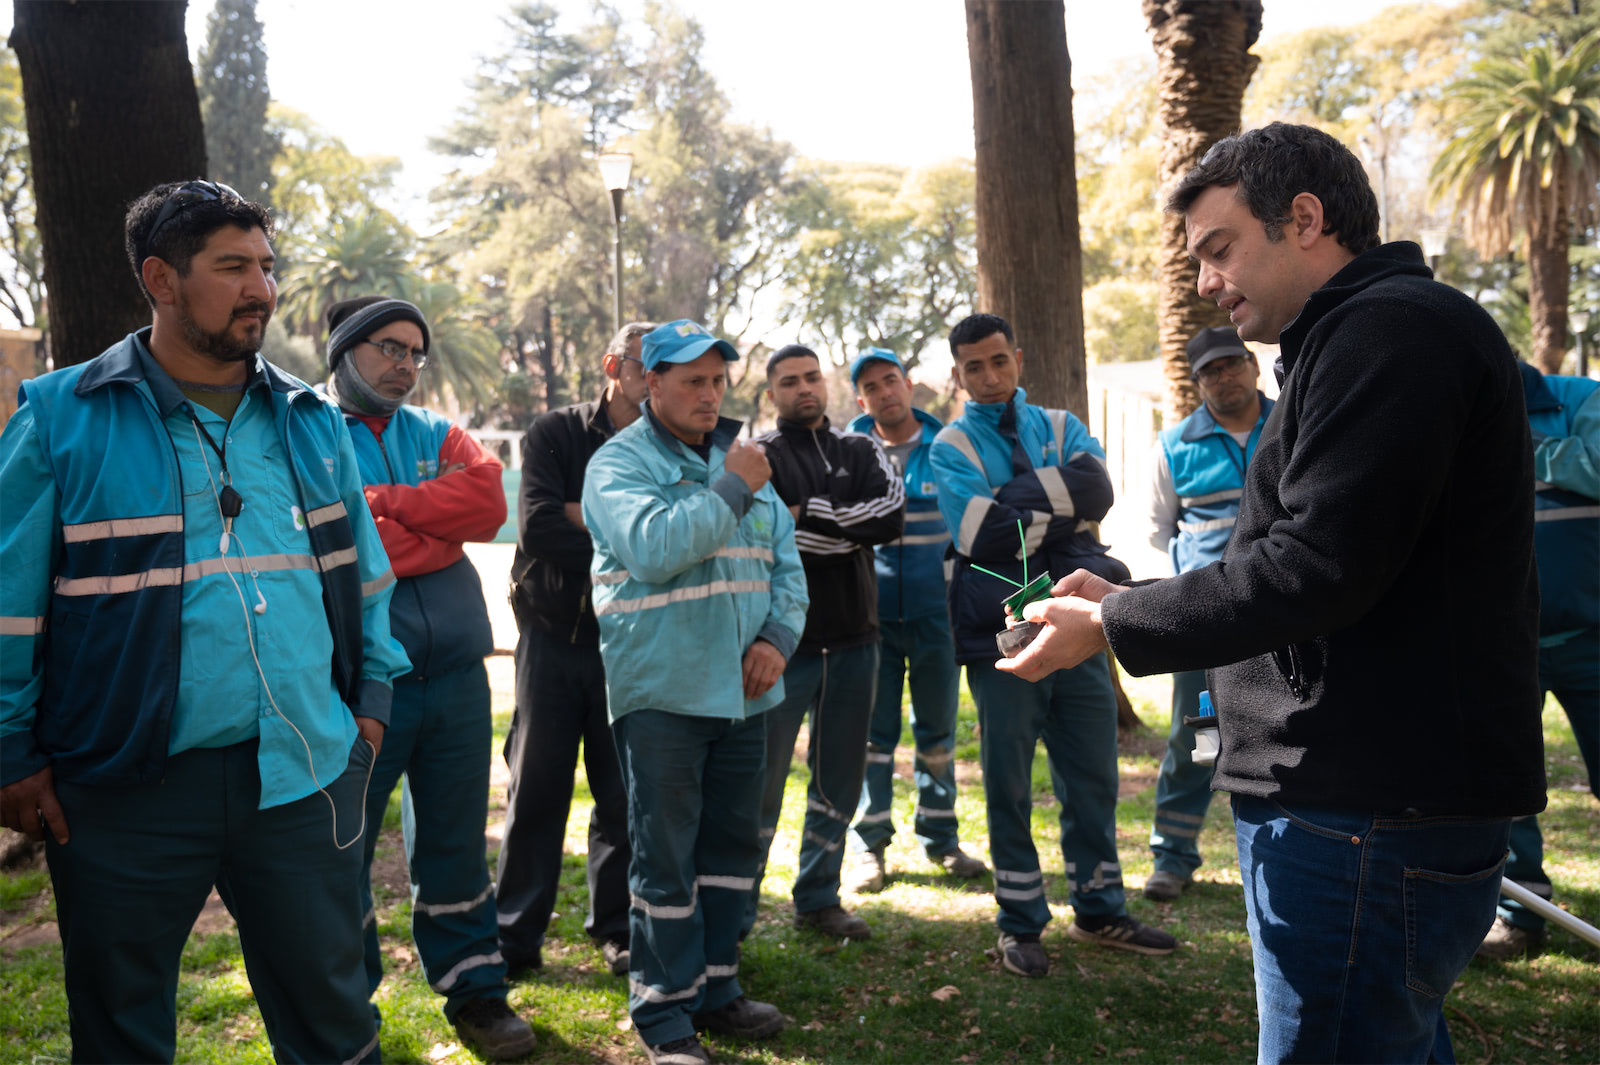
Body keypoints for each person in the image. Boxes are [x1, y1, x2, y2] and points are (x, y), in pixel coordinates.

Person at [1000, 123, 1545, 1062]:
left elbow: (1315, 570)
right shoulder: (1359, 337)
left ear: (1304, 219)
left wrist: (1115, 623)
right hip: (1360, 804)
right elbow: (1316, 555)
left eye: (1220, 250)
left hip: (1363, 812)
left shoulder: (1391, 332)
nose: (1207, 284)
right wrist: (1132, 590)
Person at [0, 180, 410, 1063]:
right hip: (119, 784)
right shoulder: (60, 418)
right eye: (232, 267)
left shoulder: (311, 420)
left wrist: (370, 702)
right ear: (161, 277)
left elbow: (366, 578)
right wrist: (10, 748)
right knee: (120, 1027)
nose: (261, 287)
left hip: (302, 772)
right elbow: (7, 602)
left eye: (266, 265)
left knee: (336, 1021)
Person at [581, 319, 808, 1065]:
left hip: (746, 698)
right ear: (652, 382)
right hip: (665, 694)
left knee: (730, 849)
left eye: (717, 381)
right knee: (666, 857)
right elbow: (655, 549)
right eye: (691, 382)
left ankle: (717, 985)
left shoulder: (736, 461)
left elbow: (786, 567)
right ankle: (662, 1011)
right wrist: (734, 486)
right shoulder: (618, 465)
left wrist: (777, 639)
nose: (709, 395)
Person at [930, 313, 1177, 979]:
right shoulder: (949, 444)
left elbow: (1099, 490)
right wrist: (1060, 517)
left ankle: (1100, 907)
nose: (988, 376)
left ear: (1018, 356)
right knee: (1008, 784)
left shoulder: (1063, 424)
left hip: (1079, 625)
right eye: (973, 366)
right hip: (1000, 636)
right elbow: (983, 538)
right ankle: (1019, 921)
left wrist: (1015, 502)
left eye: (998, 361)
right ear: (958, 373)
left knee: (1093, 771)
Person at [323, 295, 533, 1059]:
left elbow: (484, 502)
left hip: (455, 678)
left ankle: (477, 991)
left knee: (454, 843)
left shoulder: (435, 430)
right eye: (389, 348)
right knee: (340, 847)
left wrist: (384, 508)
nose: (405, 365)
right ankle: (347, 1007)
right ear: (345, 349)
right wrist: (423, 528)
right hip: (355, 686)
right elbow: (344, 547)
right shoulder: (304, 431)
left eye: (416, 352)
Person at [498, 324, 653, 981]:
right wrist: (635, 537)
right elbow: (537, 527)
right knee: (536, 789)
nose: (660, 380)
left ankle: (616, 930)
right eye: (650, 366)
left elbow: (674, 535)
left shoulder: (666, 442)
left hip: (631, 644)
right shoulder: (555, 433)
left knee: (621, 798)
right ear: (612, 363)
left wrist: (584, 513)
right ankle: (513, 937)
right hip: (551, 638)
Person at [743, 343, 904, 942]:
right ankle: (738, 904)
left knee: (838, 778)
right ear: (771, 395)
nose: (804, 388)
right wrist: (842, 528)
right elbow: (761, 540)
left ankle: (818, 897)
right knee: (759, 782)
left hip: (857, 641)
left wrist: (806, 511)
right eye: (789, 381)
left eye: (812, 377)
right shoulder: (756, 456)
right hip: (779, 648)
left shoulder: (862, 448)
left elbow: (889, 517)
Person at [843, 347, 987, 891]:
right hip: (869, 620)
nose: (885, 393)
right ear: (862, 399)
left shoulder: (945, 446)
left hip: (936, 617)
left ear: (908, 384)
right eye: (872, 387)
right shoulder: (849, 452)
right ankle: (868, 846)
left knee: (937, 734)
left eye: (891, 381)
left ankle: (941, 838)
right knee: (871, 737)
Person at [1142, 327, 1273, 902]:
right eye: (1210, 371)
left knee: (1290, 736)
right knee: (1197, 738)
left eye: (1231, 364)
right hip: (1204, 624)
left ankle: (1280, 856)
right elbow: (1159, 531)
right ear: (1197, 383)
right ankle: (1172, 857)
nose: (1224, 377)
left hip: (1287, 618)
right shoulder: (1174, 446)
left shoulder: (1294, 422)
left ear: (1252, 364)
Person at [1476, 362, 1599, 959]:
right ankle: (1519, 916)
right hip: (1502, 644)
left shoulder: (1581, 401)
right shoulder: (1455, 414)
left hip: (1593, 638)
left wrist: (1520, 443)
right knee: (1504, 789)